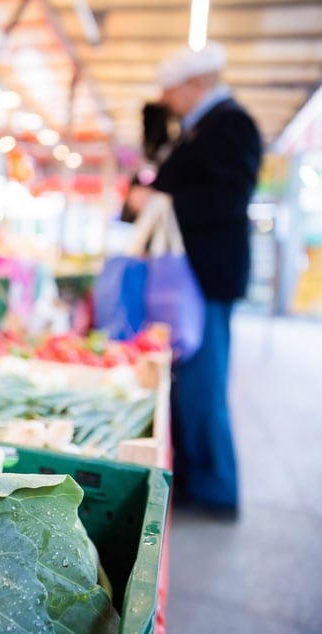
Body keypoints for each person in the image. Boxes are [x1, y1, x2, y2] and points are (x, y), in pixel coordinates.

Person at [126, 41, 261, 517]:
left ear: (196, 83)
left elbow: (229, 199)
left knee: (204, 383)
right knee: (189, 382)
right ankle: (195, 480)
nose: (167, 98)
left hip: (207, 279)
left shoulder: (230, 124)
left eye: (172, 89)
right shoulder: (198, 128)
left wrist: (165, 201)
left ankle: (216, 488)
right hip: (191, 278)